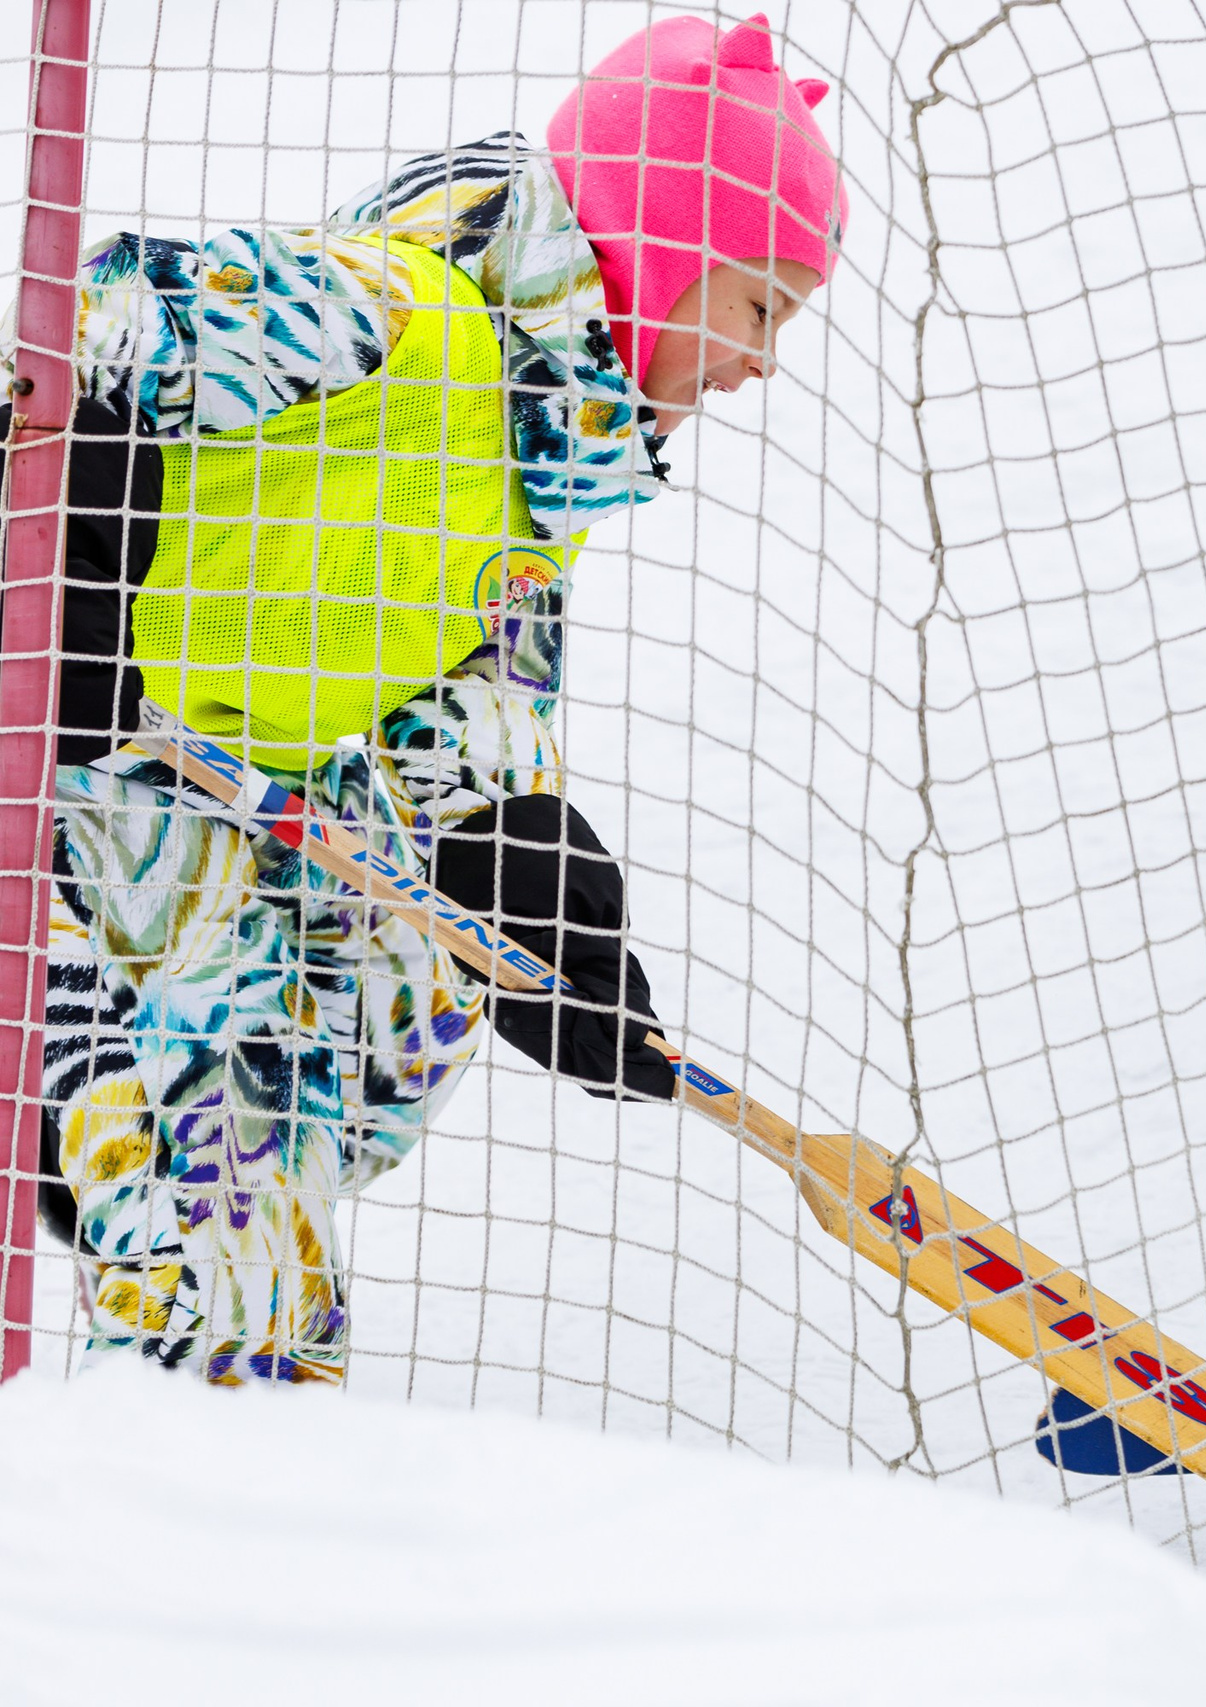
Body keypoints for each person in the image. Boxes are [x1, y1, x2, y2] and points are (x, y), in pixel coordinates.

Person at [21, 13, 841, 1382]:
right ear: (662, 246)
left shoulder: (542, 474)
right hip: (67, 795)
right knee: (221, 1245)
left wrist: (526, 874)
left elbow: (480, 703)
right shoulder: (396, 312)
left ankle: (193, 1358)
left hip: (209, 820)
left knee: (378, 1044)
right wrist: (68, 552)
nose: (764, 361)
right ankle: (163, 1427)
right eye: (760, 305)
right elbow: (101, 322)